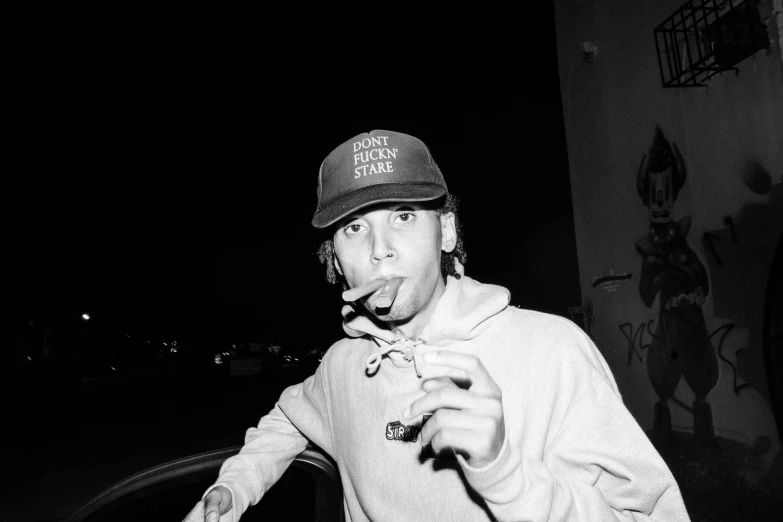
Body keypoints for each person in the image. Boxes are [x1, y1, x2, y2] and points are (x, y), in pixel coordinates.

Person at [184, 130, 690, 521]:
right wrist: (235, 487)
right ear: (335, 260)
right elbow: (286, 420)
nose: (379, 249)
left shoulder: (553, 352)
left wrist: (506, 472)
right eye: (354, 228)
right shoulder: (344, 365)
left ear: (445, 231)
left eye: (403, 216)